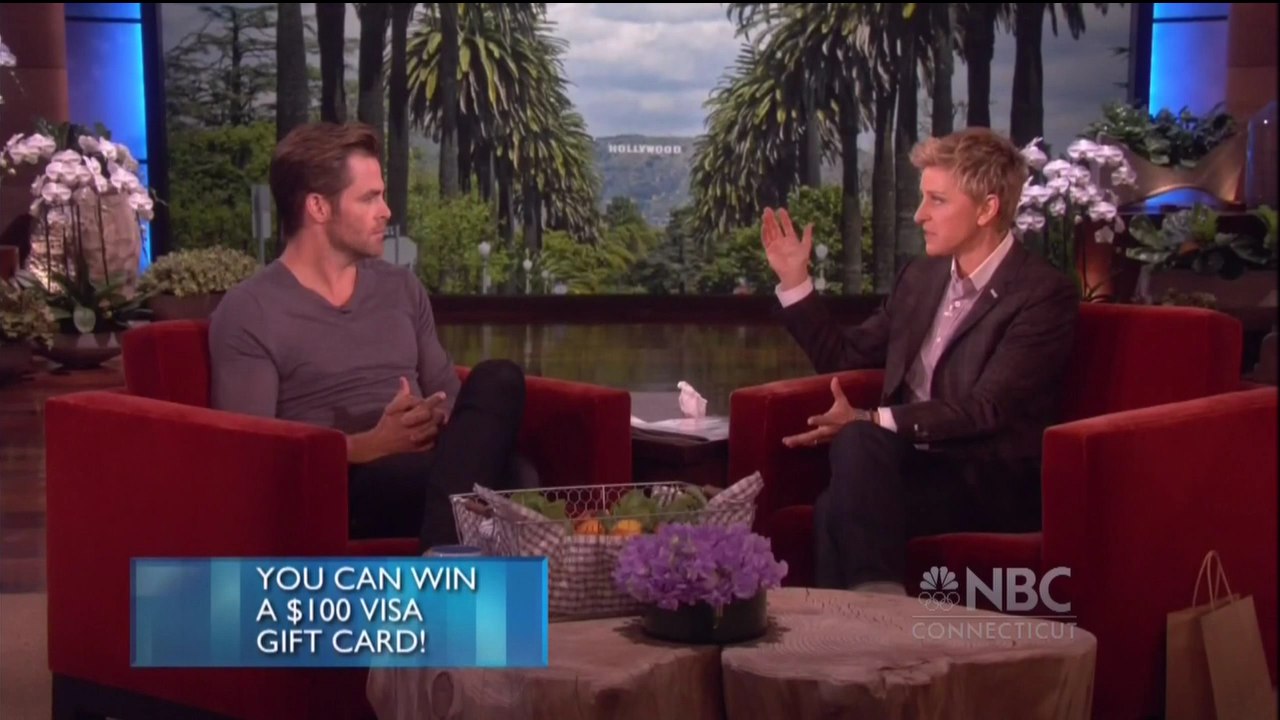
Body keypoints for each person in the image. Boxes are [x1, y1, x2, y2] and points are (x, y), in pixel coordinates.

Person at [761, 127, 1080, 594]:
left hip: (985, 478)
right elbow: (845, 357)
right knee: (847, 474)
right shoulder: (921, 277)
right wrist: (795, 281)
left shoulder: (1042, 294)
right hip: (911, 465)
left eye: (937, 200)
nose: (919, 215)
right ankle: (875, 611)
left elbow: (987, 408)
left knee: (843, 485)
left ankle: (864, 617)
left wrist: (872, 418)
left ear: (987, 209)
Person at [208, 121, 530, 552]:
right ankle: (454, 548)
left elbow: (448, 395)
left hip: (431, 462)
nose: (386, 211)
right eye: (369, 198)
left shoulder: (400, 287)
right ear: (318, 207)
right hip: (352, 482)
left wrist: (429, 418)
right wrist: (369, 445)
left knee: (500, 379)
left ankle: (442, 554)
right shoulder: (250, 309)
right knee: (514, 477)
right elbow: (250, 452)